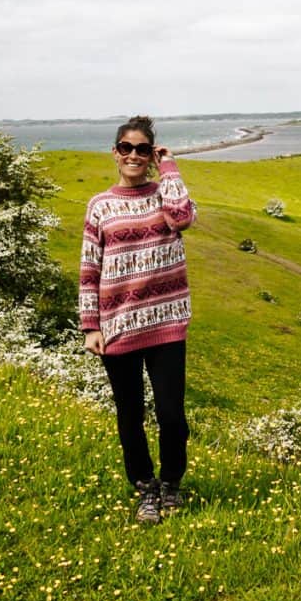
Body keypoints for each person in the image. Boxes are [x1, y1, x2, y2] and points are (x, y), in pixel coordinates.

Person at [79, 115, 196, 524]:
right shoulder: (100, 206)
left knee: (171, 415)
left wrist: (171, 167)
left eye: (143, 149)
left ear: (152, 155)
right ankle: (145, 487)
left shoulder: (166, 195)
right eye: (126, 148)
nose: (133, 155)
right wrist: (91, 326)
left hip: (166, 322)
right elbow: (89, 269)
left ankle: (172, 485)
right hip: (118, 325)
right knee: (129, 413)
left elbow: (182, 218)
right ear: (115, 153)